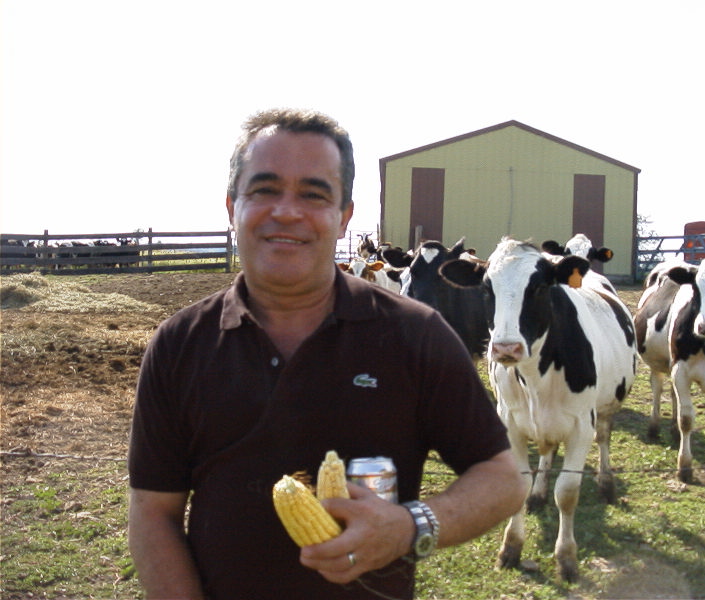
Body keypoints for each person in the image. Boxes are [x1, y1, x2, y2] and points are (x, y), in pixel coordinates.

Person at [127, 108, 528, 599]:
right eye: (265, 190)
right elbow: (153, 511)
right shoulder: (179, 345)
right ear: (233, 207)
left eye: (314, 194)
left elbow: (503, 478)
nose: (288, 211)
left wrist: (409, 526)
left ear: (343, 218)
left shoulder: (415, 335)